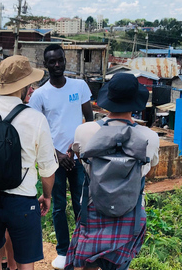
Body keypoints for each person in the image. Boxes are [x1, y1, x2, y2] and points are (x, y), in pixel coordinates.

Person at [0, 55, 58, 270]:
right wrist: (48, 195)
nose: (31, 89)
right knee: (25, 262)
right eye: (30, 85)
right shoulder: (35, 119)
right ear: (23, 86)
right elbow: (47, 167)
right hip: (23, 201)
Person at [65, 73, 160, 270]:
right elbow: (149, 168)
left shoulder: (84, 131)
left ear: (108, 99)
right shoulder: (150, 137)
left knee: (87, 265)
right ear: (136, 102)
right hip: (130, 212)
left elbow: (78, 155)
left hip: (92, 208)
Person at [28, 44, 93, 270]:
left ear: (65, 61)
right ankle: (64, 251)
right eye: (52, 62)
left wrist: (78, 149)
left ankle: (82, 248)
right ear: (45, 65)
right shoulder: (39, 95)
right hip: (53, 161)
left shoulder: (80, 86)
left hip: (77, 158)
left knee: (80, 203)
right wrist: (56, 154)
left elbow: (89, 120)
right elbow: (37, 131)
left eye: (60, 60)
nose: (57, 65)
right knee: (58, 206)